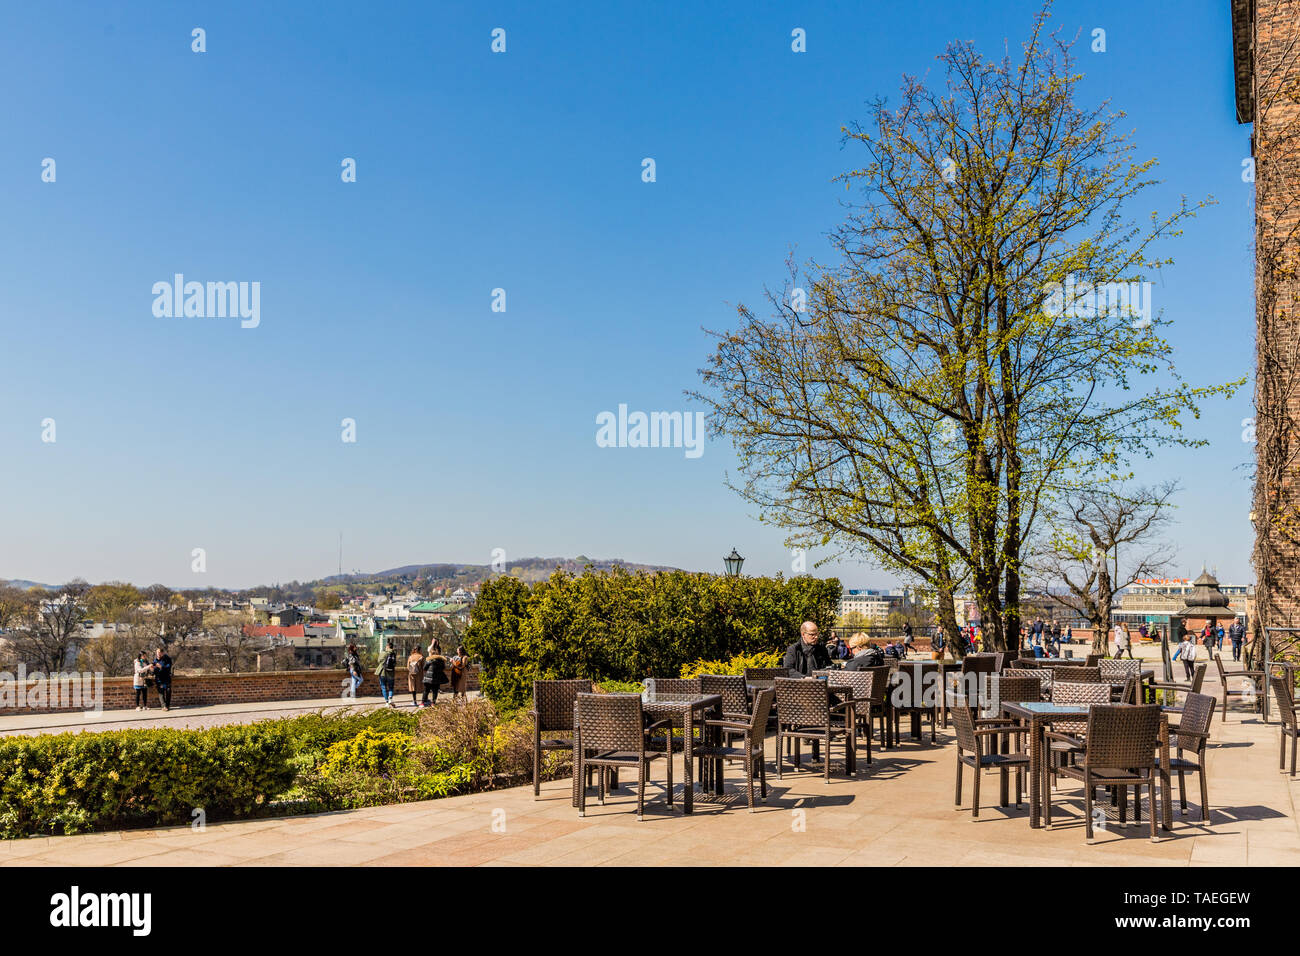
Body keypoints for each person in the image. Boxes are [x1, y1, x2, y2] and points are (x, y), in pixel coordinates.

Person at [422, 640, 448, 706]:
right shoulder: (441, 661)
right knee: (435, 691)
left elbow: (424, 668)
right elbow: (443, 668)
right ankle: (433, 703)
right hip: (436, 678)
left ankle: (422, 703)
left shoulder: (429, 660)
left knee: (426, 690)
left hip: (427, 678)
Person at [152, 646, 173, 711]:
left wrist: (161, 667)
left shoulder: (167, 659)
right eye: (157, 653)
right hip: (159, 679)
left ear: (162, 653)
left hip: (166, 678)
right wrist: (152, 670)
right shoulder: (155, 660)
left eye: (159, 653)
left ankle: (167, 705)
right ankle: (163, 706)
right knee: (161, 693)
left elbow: (168, 668)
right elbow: (154, 671)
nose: (158, 654)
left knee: (168, 691)